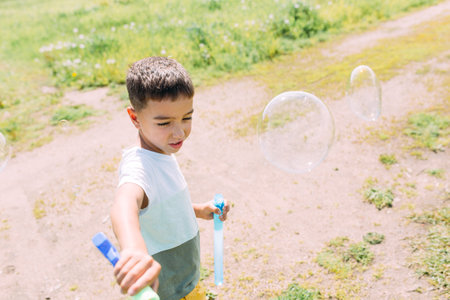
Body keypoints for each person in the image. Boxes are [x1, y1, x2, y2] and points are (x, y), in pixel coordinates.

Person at [110, 56, 230, 300]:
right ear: (135, 118)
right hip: (165, 293)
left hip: (185, 282)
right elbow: (124, 205)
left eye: (187, 117)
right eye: (164, 122)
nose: (179, 132)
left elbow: (163, 204)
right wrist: (133, 250)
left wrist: (198, 209)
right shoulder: (139, 167)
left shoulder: (161, 151)